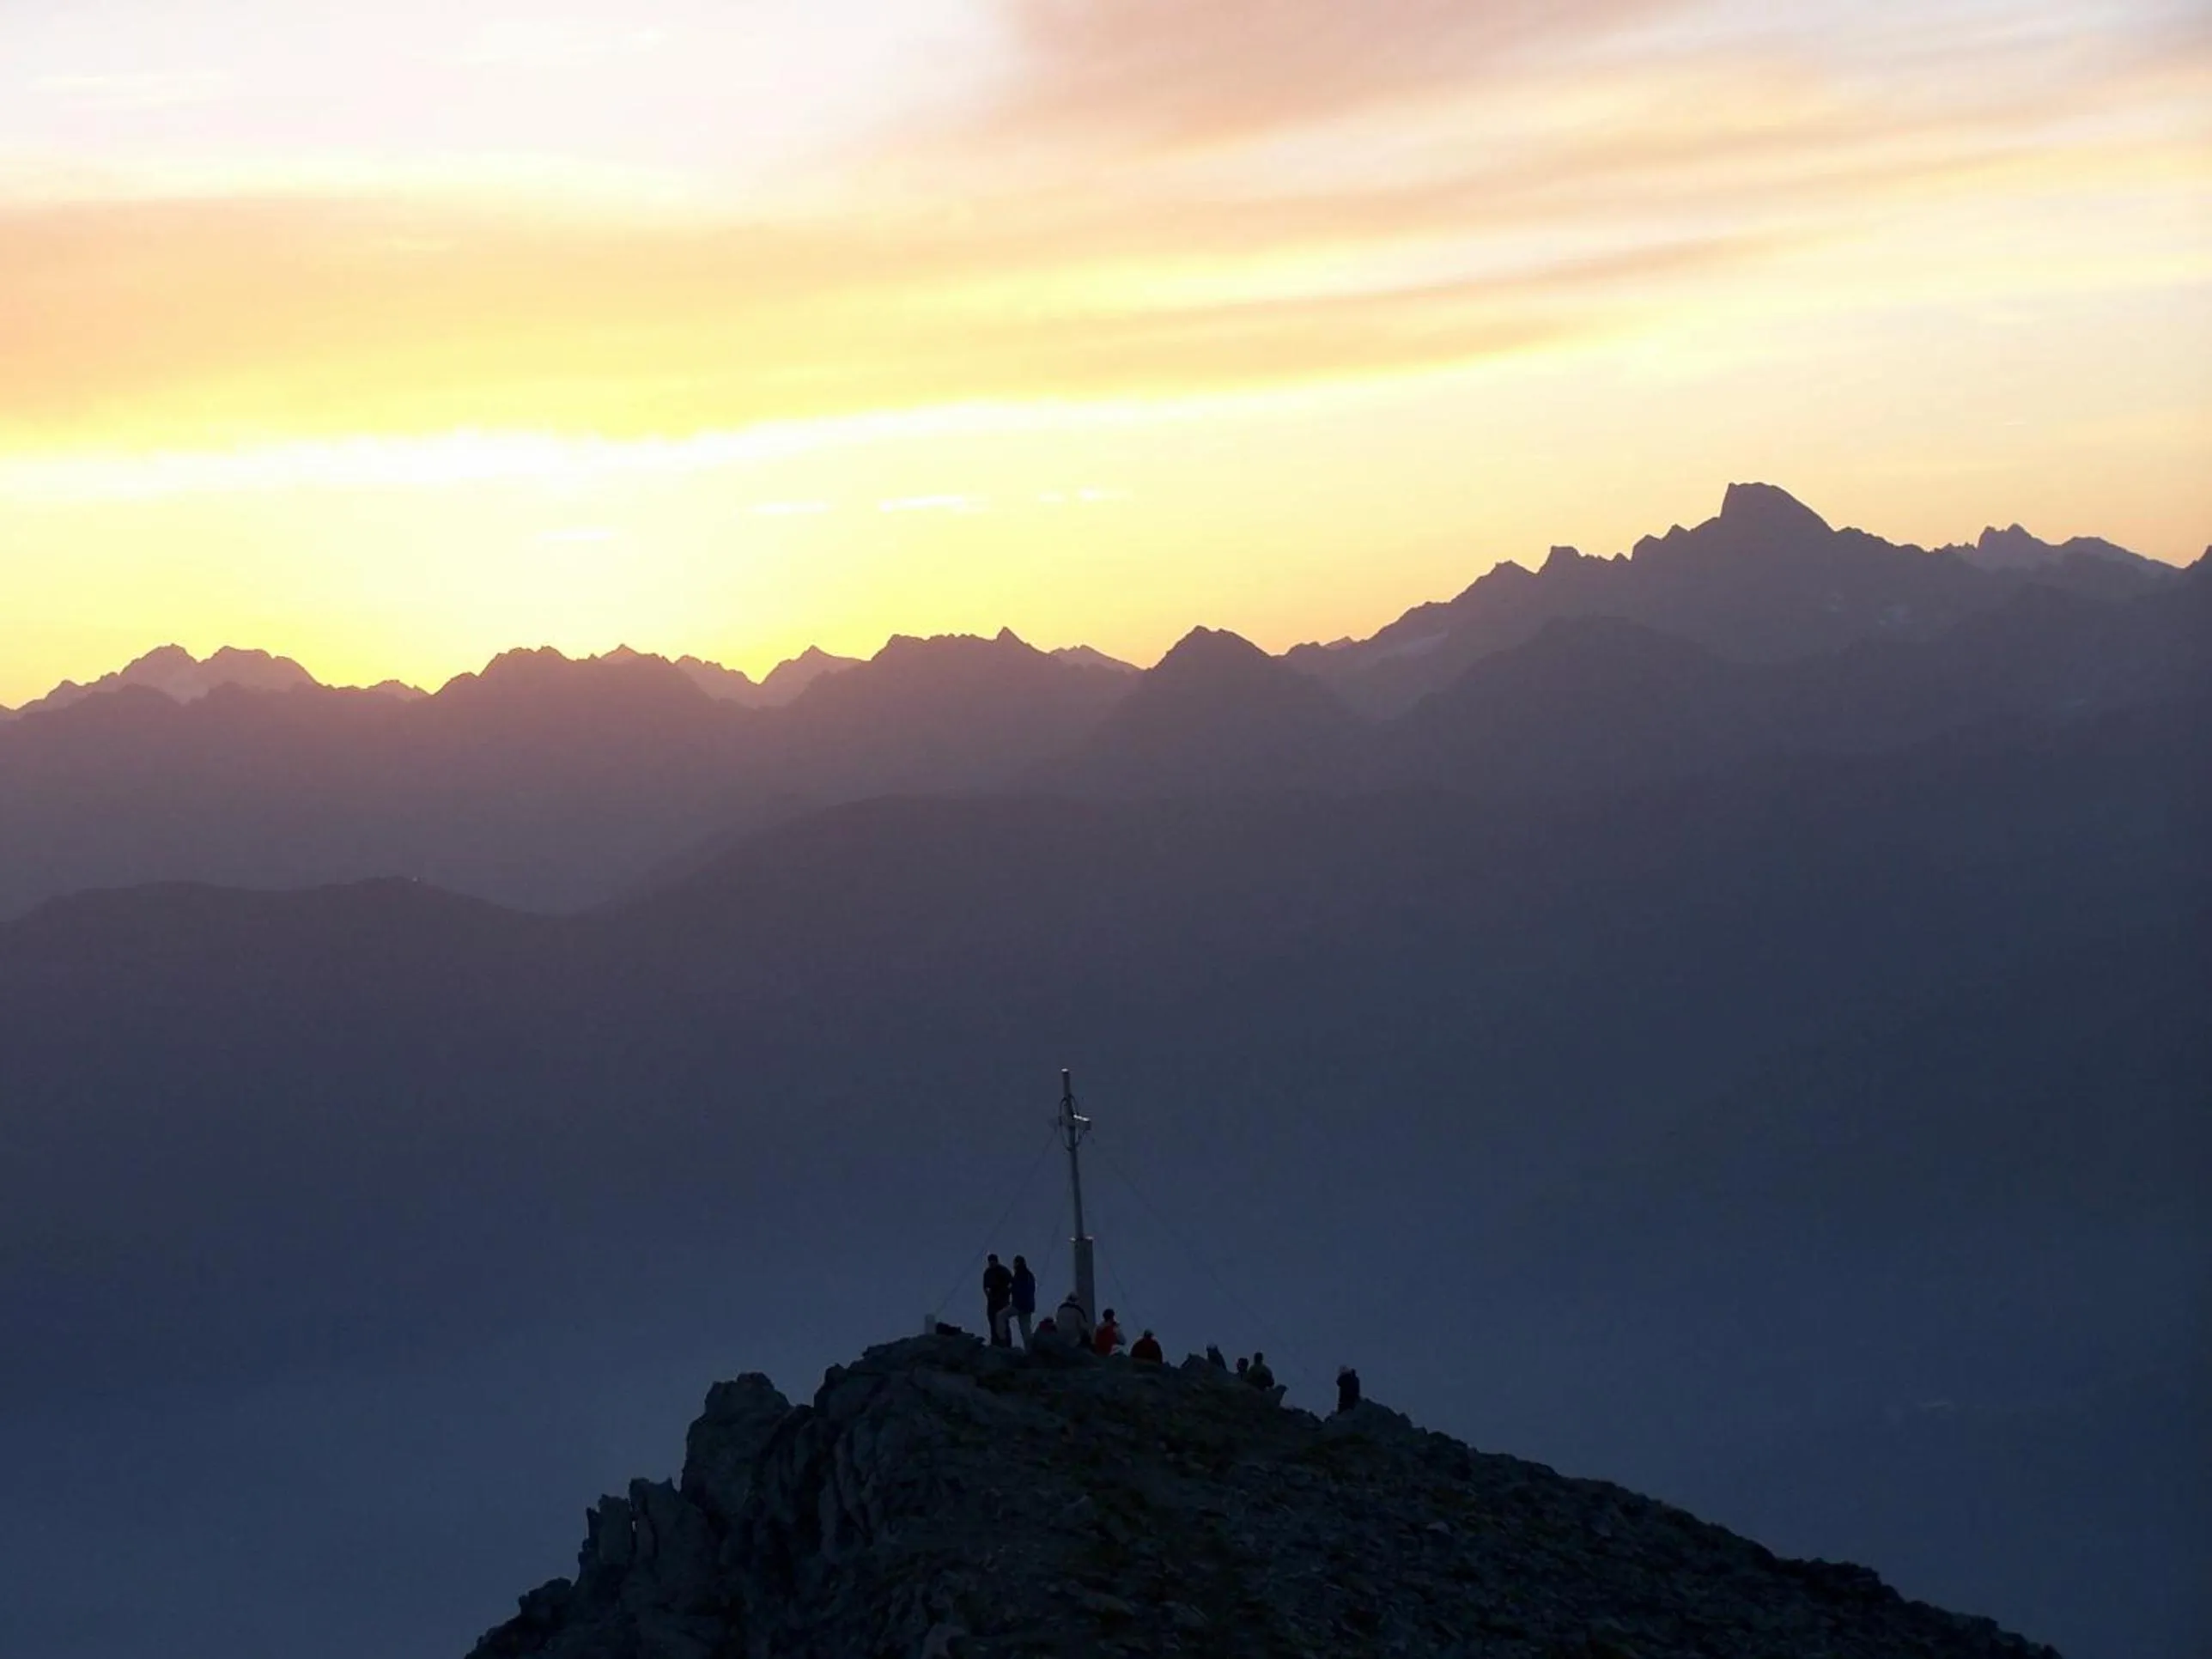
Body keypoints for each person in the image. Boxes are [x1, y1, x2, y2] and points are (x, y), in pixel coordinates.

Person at [982, 1254, 1014, 1348]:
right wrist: (988, 1296)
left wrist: (1006, 1293)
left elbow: (1012, 1284)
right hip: (992, 1301)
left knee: (1003, 1322)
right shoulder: (988, 1272)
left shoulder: (1003, 1271)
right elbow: (985, 1287)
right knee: (992, 1321)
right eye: (990, 1261)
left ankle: (1007, 1344)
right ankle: (995, 1343)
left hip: (1002, 1301)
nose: (991, 1263)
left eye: (993, 1261)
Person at [1010, 1255, 1037, 1346]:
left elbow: (1020, 1290)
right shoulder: (1027, 1274)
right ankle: (1029, 1349)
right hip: (1027, 1306)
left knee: (1001, 1316)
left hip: (1022, 1306)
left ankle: (1030, 1350)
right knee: (1025, 1329)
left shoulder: (1021, 1275)